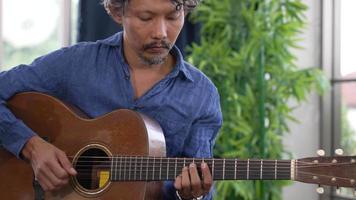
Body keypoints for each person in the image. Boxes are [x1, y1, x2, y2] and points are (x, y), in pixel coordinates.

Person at [0, 0, 222, 199]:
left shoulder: (202, 95)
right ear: (118, 12)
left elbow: (200, 182)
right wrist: (31, 147)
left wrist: (193, 195)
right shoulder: (75, 64)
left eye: (173, 17)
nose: (161, 32)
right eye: (146, 17)